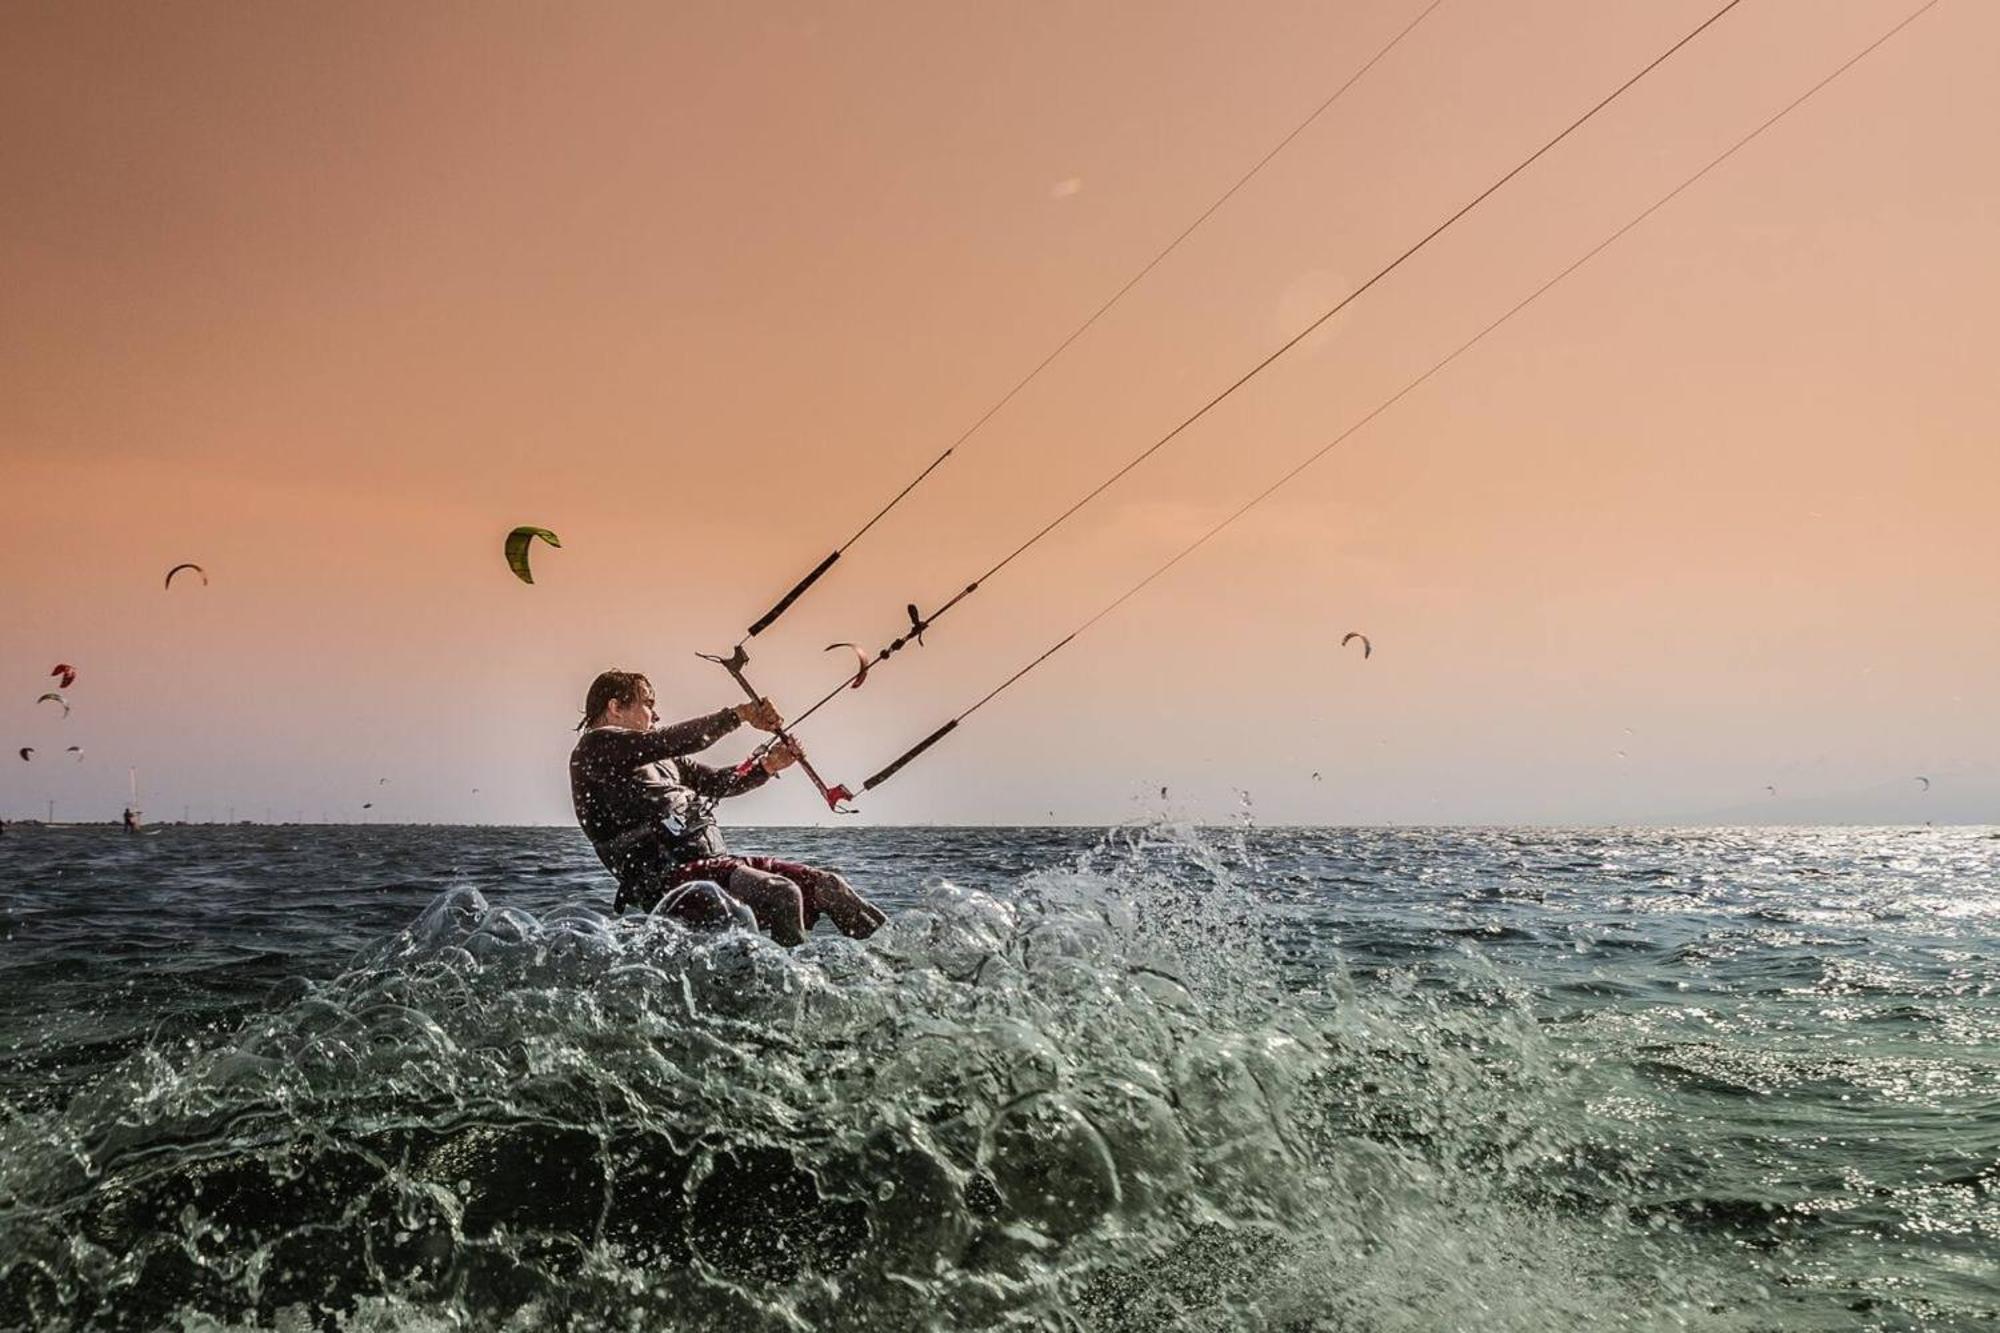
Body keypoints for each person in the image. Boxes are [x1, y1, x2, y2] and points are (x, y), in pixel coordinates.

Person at [568, 669, 887, 945]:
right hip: (668, 883)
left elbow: (717, 782)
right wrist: (739, 715)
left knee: (829, 887)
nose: (656, 715)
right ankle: (791, 997)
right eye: (648, 704)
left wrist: (769, 765)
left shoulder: (661, 759)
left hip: (712, 869)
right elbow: (669, 740)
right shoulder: (596, 747)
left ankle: (895, 968)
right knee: (781, 893)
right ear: (615, 708)